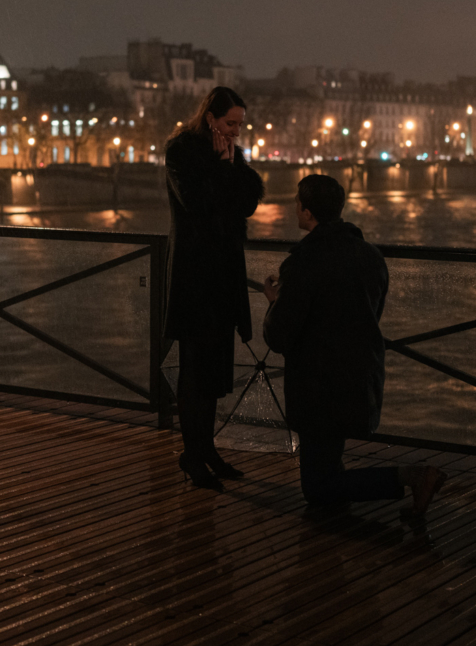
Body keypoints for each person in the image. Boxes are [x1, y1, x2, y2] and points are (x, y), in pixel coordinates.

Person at [263, 174, 444, 514]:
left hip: (318, 386)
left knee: (317, 488)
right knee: (328, 467)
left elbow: (279, 336)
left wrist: (275, 300)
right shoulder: (371, 256)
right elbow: (372, 312)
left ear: (305, 211)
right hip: (360, 377)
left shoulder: (302, 261)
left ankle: (411, 476)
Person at [164, 85, 264, 491]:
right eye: (230, 123)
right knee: (194, 372)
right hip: (194, 276)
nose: (237, 131)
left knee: (215, 370)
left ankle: (205, 448)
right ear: (210, 118)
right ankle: (193, 452)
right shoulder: (182, 151)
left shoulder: (229, 154)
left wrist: (230, 170)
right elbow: (198, 204)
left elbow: (246, 203)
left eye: (241, 124)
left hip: (221, 275)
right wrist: (225, 171)